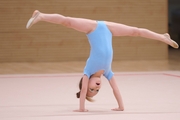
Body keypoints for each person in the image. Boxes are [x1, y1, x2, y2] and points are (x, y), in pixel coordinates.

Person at [26, 10, 179, 112]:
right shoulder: (108, 72)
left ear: (85, 82)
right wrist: (121, 107)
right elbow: (116, 90)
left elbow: (83, 90)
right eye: (97, 91)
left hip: (92, 28)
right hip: (108, 28)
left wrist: (82, 109)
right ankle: (162, 37)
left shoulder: (88, 71)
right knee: (135, 31)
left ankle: (41, 15)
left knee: (68, 21)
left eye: (92, 89)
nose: (95, 89)